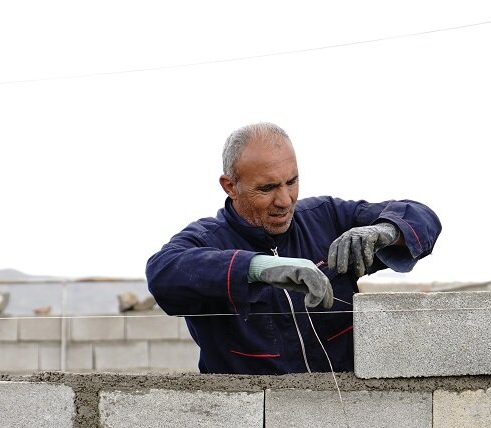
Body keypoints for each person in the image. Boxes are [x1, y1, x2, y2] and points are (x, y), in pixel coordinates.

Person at [146, 122, 441, 374]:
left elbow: (421, 216)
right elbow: (162, 273)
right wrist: (258, 269)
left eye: (292, 181)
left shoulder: (327, 218)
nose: (285, 200)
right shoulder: (208, 239)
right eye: (267, 188)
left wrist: (385, 231)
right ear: (230, 186)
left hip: (346, 416)